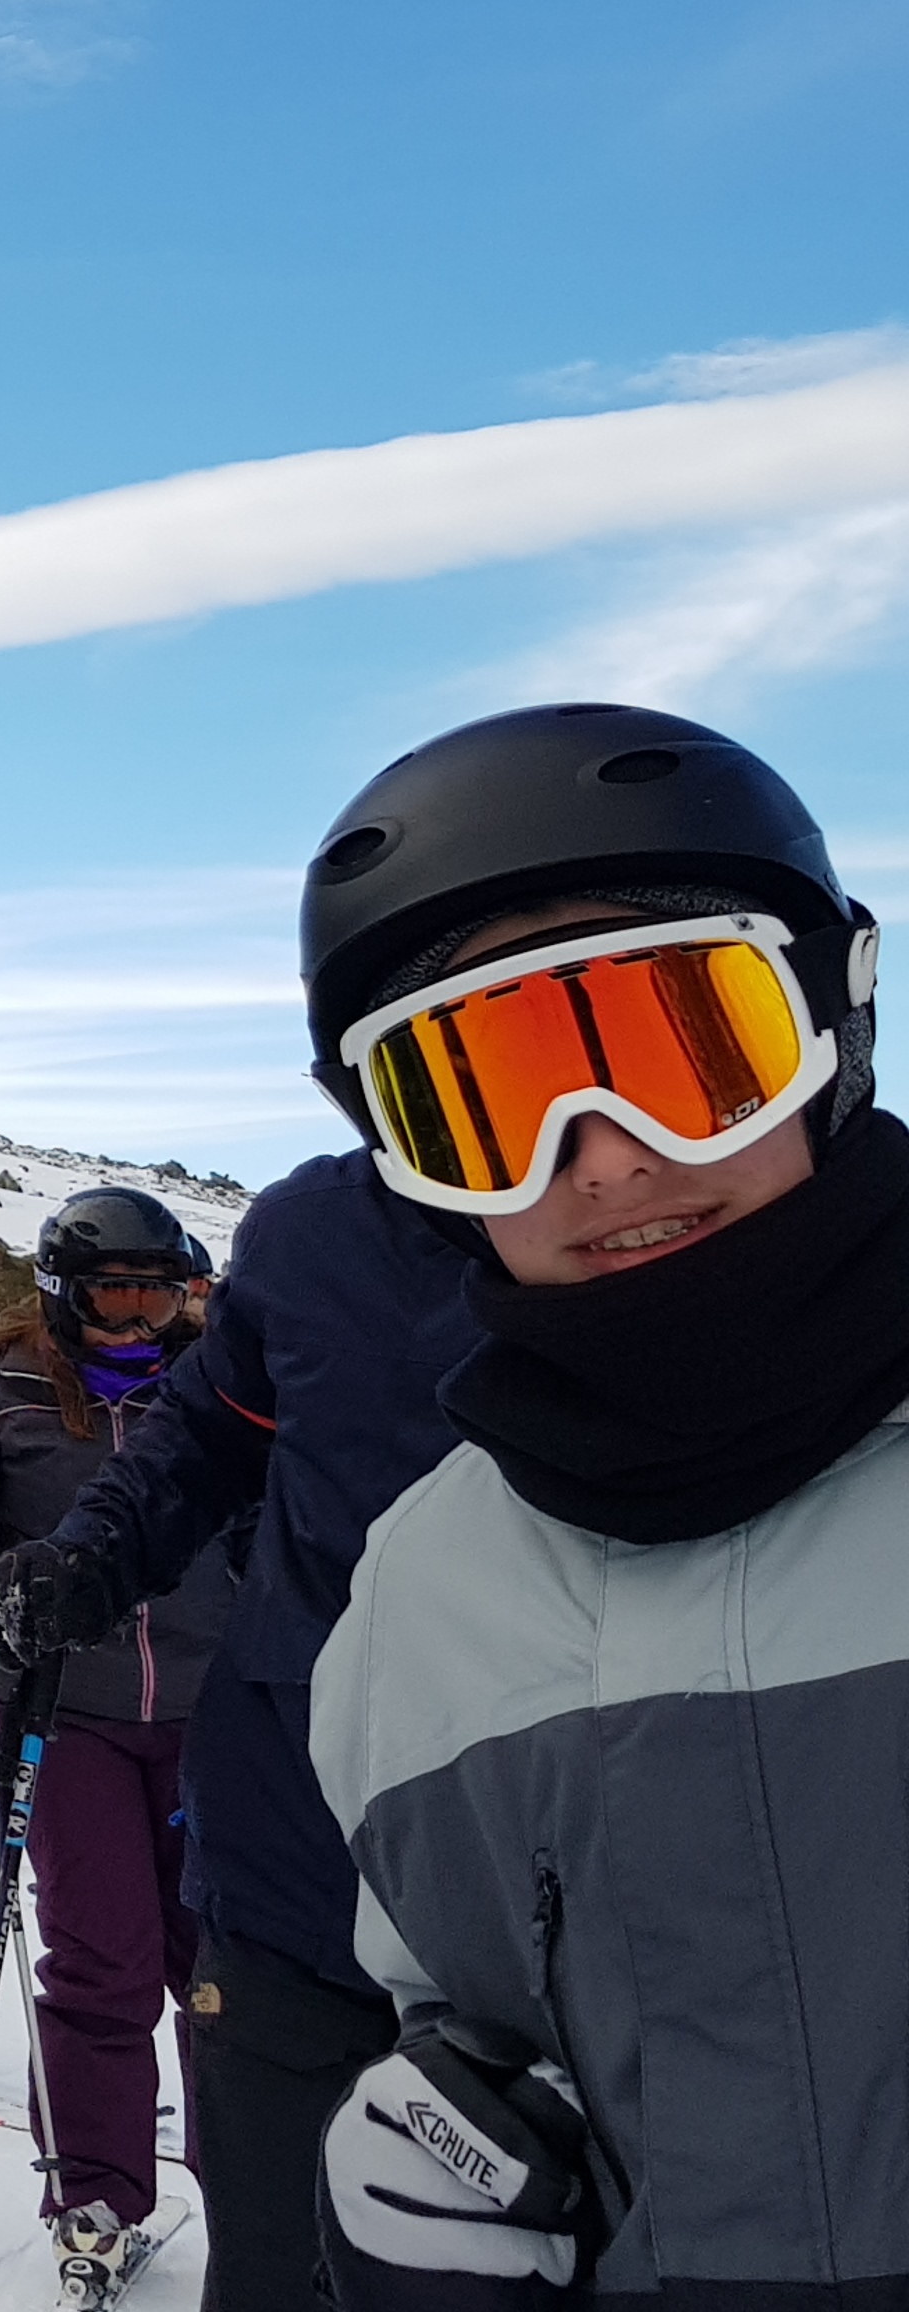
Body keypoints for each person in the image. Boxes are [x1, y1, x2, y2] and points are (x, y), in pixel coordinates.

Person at [284, 711, 898, 2305]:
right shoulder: (424, 1599)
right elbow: (474, 2026)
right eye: (482, 1101)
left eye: (689, 1049)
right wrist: (454, 2166)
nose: (607, 1158)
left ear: (836, 1013)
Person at [0, 728, 532, 2312]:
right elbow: (208, 1435)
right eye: (444, 1046)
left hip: (569, 1915)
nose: (562, 1124)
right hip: (296, 1871)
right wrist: (87, 1560)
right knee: (280, 2255)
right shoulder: (315, 1239)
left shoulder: (719, 1258)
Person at [0, 1187, 232, 2305]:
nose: (139, 1323)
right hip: (67, 1714)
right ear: (63, 1294)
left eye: (160, 1294)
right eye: (115, 1298)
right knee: (101, 1959)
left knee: (220, 1965)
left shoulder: (216, 1386)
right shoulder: (2, 1398)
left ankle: (248, 2180)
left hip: (212, 1710)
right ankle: (96, 2197)